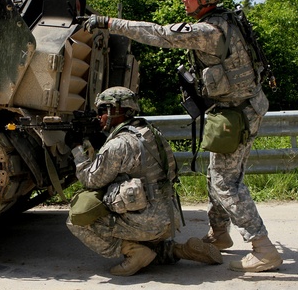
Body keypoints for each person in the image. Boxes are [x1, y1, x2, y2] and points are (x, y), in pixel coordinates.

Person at [84, 0, 282, 273]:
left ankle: (263, 248)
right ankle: (219, 235)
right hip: (240, 109)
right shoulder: (227, 20)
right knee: (219, 175)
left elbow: (159, 34)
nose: (183, 0)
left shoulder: (209, 31)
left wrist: (109, 23)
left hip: (236, 114)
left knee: (225, 182)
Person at [67, 86, 222, 276]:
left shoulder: (118, 144)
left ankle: (135, 253)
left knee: (77, 220)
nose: (99, 117)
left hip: (146, 221)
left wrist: (77, 148)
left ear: (115, 110)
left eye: (102, 111)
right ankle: (180, 250)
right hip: (168, 218)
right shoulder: (149, 132)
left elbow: (90, 180)